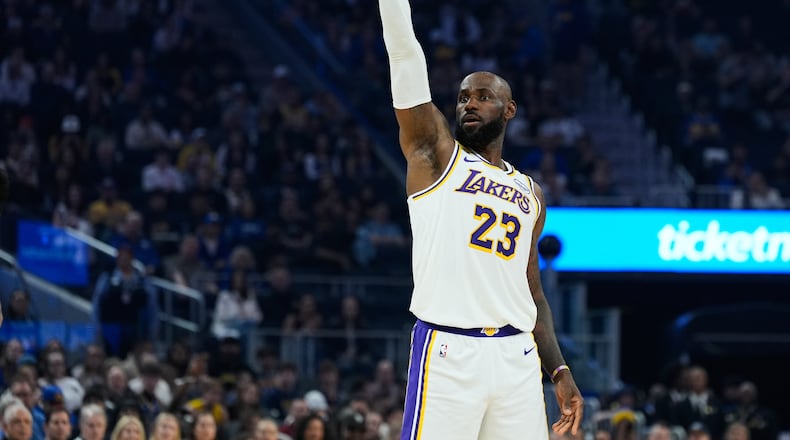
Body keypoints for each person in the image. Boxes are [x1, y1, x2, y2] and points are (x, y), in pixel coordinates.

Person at [377, 1, 584, 439]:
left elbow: (532, 291)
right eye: (463, 97)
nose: (469, 103)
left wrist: (559, 370)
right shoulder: (438, 157)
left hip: (517, 358)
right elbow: (404, 54)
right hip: (449, 351)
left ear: (509, 110)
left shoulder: (531, 193)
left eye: (483, 96)